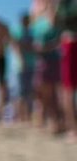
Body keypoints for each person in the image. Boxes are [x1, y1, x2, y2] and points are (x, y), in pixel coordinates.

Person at [31, 8, 62, 134]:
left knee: (53, 94)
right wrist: (54, 45)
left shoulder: (54, 23)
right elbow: (38, 47)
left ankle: (53, 122)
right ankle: (52, 122)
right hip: (46, 63)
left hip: (53, 63)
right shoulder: (41, 25)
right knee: (48, 95)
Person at [56, 0, 77, 141]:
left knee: (67, 90)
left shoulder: (62, 6)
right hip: (69, 43)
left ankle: (73, 129)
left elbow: (54, 22)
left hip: (69, 43)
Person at [11, 13, 37, 124]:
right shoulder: (17, 30)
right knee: (20, 91)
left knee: (29, 91)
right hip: (19, 65)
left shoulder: (31, 31)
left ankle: (28, 116)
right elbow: (16, 46)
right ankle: (20, 116)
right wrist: (21, 60)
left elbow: (33, 46)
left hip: (31, 64)